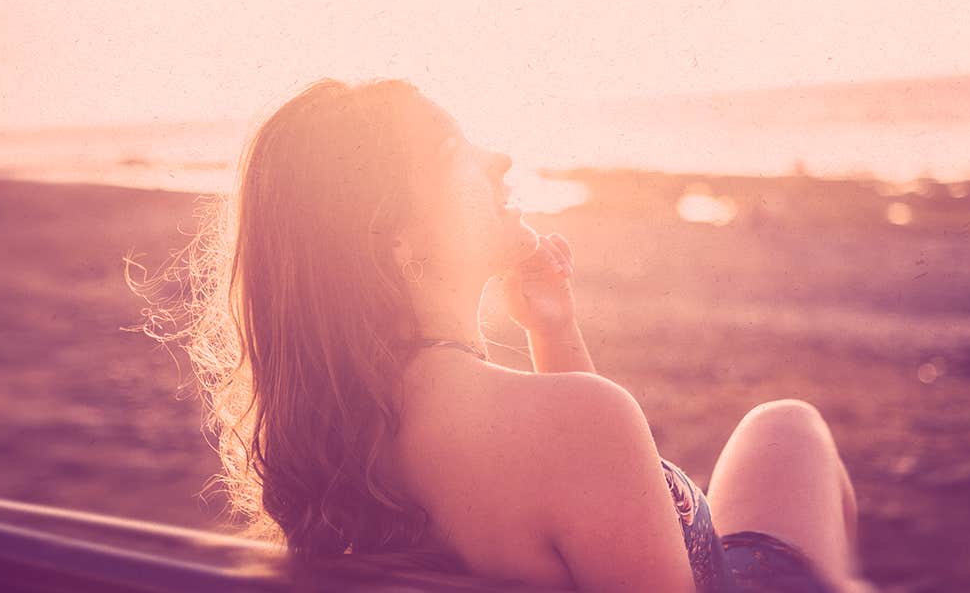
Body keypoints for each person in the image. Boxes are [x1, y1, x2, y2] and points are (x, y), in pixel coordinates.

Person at [137, 78, 874, 593]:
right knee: (789, 428)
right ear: (395, 238)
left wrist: (553, 328)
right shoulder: (582, 427)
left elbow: (575, 487)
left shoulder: (335, 439)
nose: (501, 160)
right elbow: (590, 461)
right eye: (458, 150)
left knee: (779, 431)